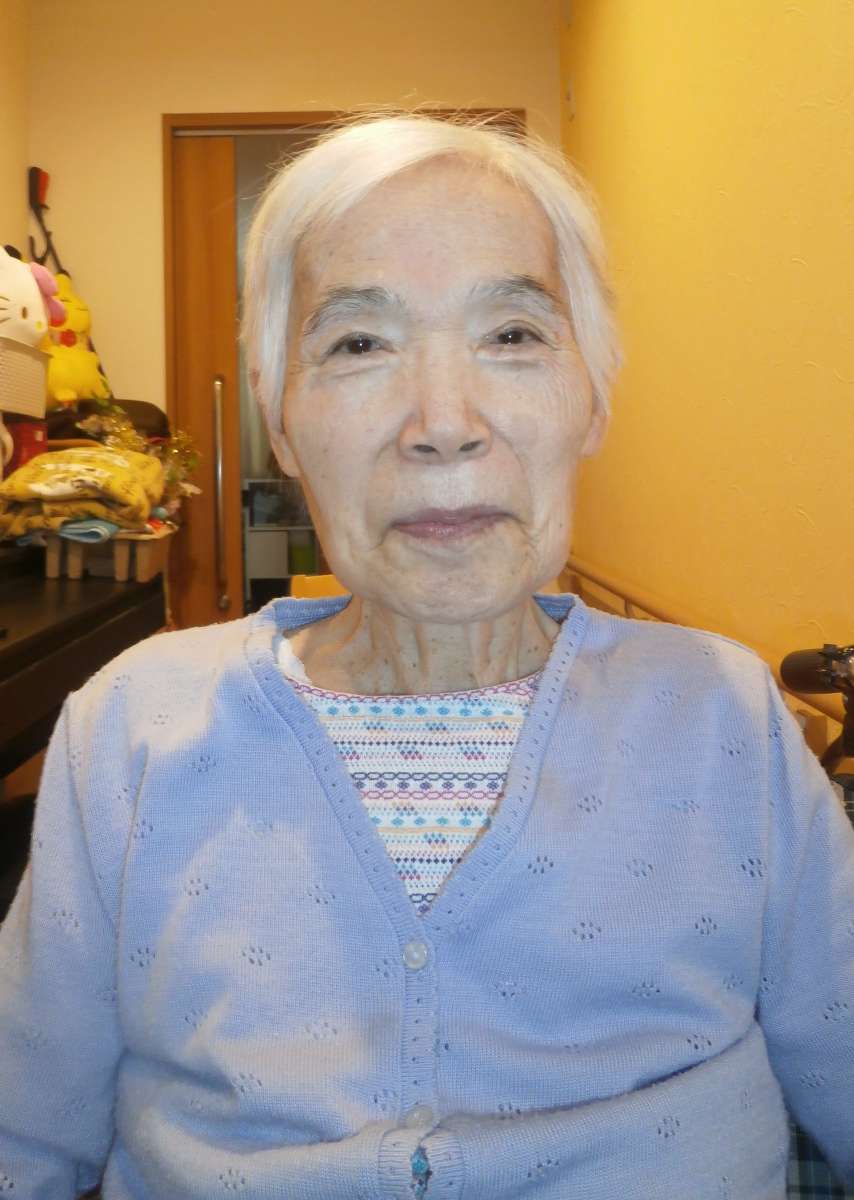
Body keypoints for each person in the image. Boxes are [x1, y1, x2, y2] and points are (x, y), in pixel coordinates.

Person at [0, 111, 852, 1200]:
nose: (443, 422)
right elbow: (23, 1134)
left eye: (512, 334)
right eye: (359, 344)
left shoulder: (720, 715)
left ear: (592, 397)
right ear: (280, 417)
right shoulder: (133, 728)